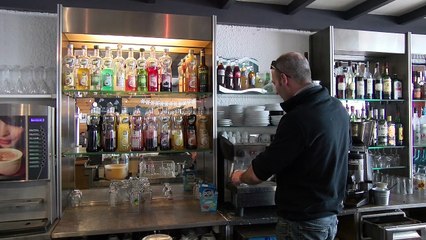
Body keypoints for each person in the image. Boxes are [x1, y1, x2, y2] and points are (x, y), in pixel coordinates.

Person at [231, 52, 350, 240]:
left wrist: (239, 176)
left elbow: (256, 175)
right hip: (329, 219)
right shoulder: (337, 108)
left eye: (275, 84)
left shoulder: (297, 118)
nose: (276, 91)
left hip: (302, 224)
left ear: (285, 79)